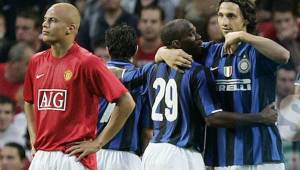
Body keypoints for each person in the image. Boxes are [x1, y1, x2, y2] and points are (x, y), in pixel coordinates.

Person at [116, 19, 278, 170]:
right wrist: (260, 117)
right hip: (182, 152)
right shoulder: (197, 72)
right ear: (176, 44)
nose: (199, 36)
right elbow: (213, 117)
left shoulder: (151, 69)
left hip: (153, 152)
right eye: (191, 34)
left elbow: (122, 76)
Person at [155, 0, 290, 169]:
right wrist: (162, 52)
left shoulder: (257, 51)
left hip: (263, 155)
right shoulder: (208, 51)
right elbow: (175, 47)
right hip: (222, 158)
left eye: (231, 16)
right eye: (221, 16)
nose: (225, 22)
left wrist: (243, 36)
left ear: (245, 19)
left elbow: (284, 55)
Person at [23, 3, 135, 170]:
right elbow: (29, 102)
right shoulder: (36, 61)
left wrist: (98, 143)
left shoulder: (88, 62)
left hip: (73, 158)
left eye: (52, 20)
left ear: (70, 28)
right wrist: (34, 136)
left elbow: (126, 102)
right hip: (42, 156)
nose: (44, 25)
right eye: (45, 20)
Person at [96, 24, 152, 170]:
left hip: (93, 153)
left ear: (108, 50)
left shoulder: (93, 76)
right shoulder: (142, 80)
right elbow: (147, 132)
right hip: (127, 159)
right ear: (136, 50)